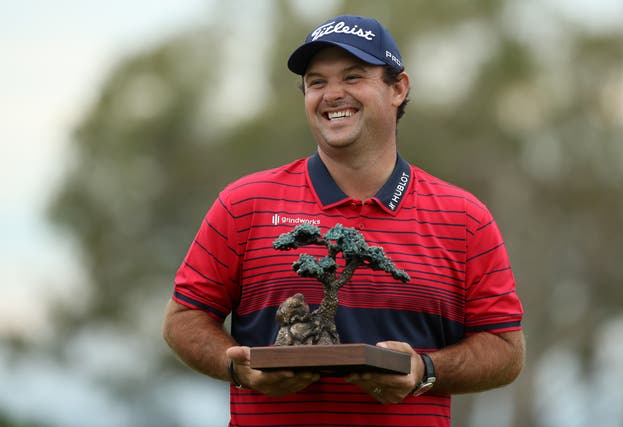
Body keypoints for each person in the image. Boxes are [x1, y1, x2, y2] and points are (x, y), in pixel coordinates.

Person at [163, 14, 524, 427]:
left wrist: (425, 370)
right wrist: (237, 369)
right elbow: (183, 319)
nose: (332, 94)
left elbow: (505, 349)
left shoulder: (465, 218)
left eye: (353, 77)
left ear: (398, 89)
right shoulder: (244, 204)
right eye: (317, 82)